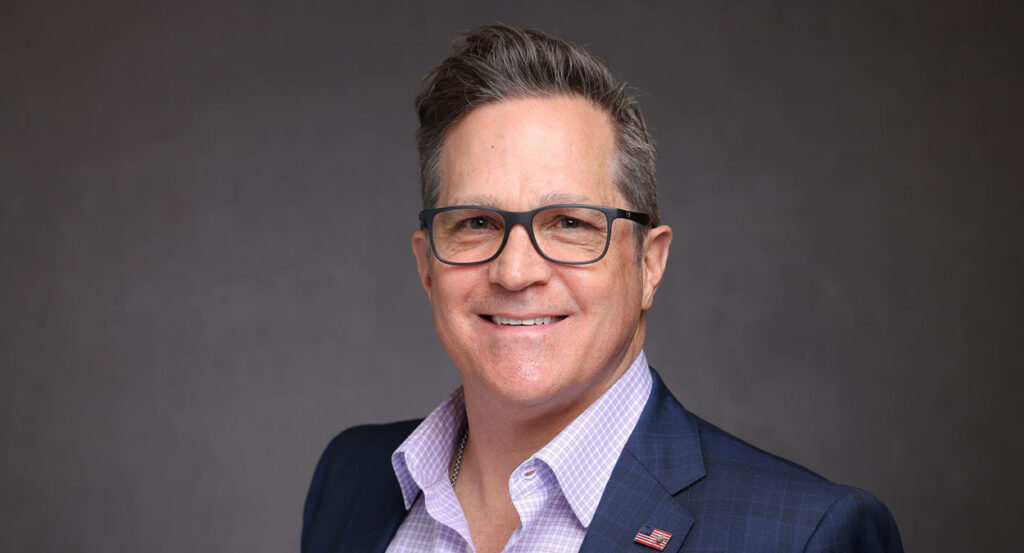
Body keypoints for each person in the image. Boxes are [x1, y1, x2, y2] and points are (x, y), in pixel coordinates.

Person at [301, 24, 903, 553]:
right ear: (426, 264)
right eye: (476, 223)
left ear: (649, 263)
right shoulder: (354, 480)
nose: (515, 273)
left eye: (569, 224)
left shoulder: (803, 536)